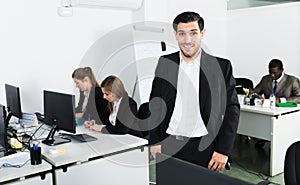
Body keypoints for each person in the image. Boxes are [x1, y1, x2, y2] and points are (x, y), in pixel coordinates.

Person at [149, 11, 240, 171]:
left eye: (193, 33)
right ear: (175, 34)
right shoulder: (165, 63)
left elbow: (232, 109)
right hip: (169, 144)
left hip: (204, 147)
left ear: (202, 33)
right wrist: (155, 141)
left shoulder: (221, 67)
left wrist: (223, 150)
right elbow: (155, 105)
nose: (187, 40)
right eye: (182, 33)